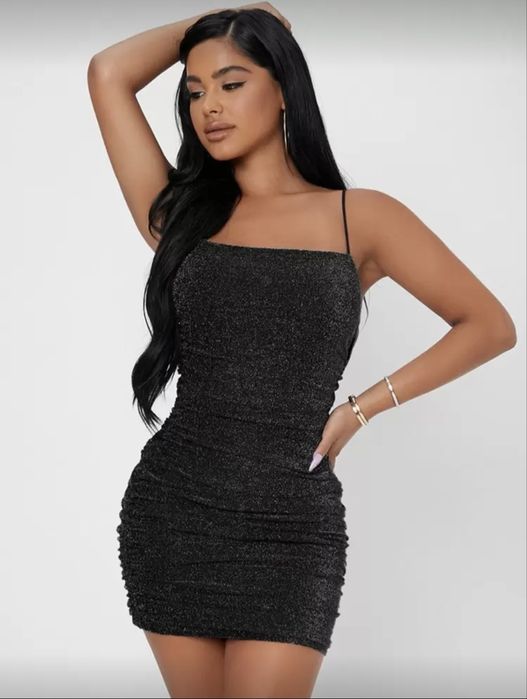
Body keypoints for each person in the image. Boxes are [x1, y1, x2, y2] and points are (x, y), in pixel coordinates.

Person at [87, 4, 517, 697]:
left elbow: (488, 325)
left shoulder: (361, 216)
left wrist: (360, 409)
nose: (208, 106)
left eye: (232, 83)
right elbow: (108, 72)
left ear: (284, 86)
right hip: (174, 512)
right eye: (194, 91)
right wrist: (230, 18)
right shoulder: (181, 216)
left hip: (292, 526)